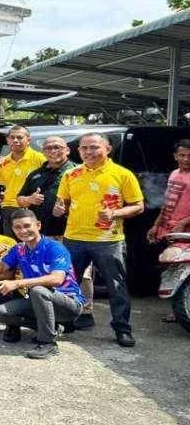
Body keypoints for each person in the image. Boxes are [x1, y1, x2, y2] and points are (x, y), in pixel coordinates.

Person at [54, 133, 144, 347]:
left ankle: (122, 328)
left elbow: (138, 206)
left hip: (108, 240)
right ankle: (65, 322)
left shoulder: (122, 174)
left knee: (116, 286)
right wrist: (59, 209)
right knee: (67, 284)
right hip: (74, 238)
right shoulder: (71, 174)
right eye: (84, 148)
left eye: (94, 147)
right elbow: (62, 205)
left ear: (108, 149)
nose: (88, 152)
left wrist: (115, 214)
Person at [0, 209, 85, 359]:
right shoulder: (19, 249)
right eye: (17, 227)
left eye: (27, 226)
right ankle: (51, 327)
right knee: (0, 311)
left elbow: (56, 279)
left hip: (68, 304)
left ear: (38, 225)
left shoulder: (54, 247)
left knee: (38, 290)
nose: (23, 231)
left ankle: (48, 343)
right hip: (38, 301)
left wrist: (17, 283)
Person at [16, 136, 86, 324]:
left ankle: (82, 314)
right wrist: (29, 200)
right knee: (41, 273)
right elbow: (19, 199)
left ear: (67, 150)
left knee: (78, 275)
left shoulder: (77, 172)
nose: (53, 151)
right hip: (37, 236)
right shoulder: (36, 173)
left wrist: (66, 211)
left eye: (57, 147)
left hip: (67, 234)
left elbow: (88, 203)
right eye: (48, 148)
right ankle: (47, 313)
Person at [148, 139, 190, 322]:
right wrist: (157, 224)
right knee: (172, 268)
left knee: (185, 267)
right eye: (182, 155)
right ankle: (179, 308)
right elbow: (167, 203)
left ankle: (183, 308)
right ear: (175, 156)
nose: (186, 159)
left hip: (185, 230)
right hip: (170, 228)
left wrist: (184, 222)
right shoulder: (174, 174)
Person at [0, 125, 46, 231]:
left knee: (31, 244)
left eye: (19, 137)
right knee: (12, 245)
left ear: (28, 140)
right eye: (12, 137)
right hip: (8, 208)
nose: (15, 140)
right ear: (7, 140)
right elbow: (2, 186)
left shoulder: (40, 159)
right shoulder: (3, 162)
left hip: (31, 208)